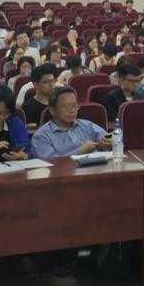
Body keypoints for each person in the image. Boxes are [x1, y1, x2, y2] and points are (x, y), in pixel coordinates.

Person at [31, 86, 111, 276]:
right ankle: (69, 257)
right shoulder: (42, 136)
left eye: (75, 106)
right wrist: (79, 151)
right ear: (52, 110)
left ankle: (101, 253)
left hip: (95, 181)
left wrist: (108, 142)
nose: (72, 110)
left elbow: (109, 138)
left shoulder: (86, 125)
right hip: (61, 190)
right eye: (66, 106)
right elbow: (49, 166)